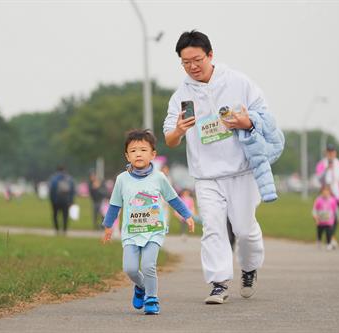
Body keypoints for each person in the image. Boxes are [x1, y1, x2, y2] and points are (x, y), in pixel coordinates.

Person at [163, 30, 284, 304]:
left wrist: (246, 122)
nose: (192, 66)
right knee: (213, 227)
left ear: (210, 55)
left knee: (244, 229)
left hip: (241, 171)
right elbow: (169, 138)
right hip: (205, 175)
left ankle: (250, 267)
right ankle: (218, 283)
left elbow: (265, 116)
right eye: (185, 62)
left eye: (197, 60)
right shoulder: (181, 95)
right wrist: (179, 130)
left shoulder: (239, 82)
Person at [102, 129, 195, 315]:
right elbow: (114, 205)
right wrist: (108, 227)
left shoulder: (159, 177)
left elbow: (173, 198)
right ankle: (141, 287)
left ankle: (152, 298)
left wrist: (187, 214)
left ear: (153, 154)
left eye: (143, 150)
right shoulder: (122, 180)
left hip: (154, 230)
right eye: (134, 150)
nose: (138, 154)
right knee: (129, 268)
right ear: (127, 156)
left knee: (148, 265)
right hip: (131, 232)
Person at [315, 143, 339, 248]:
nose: (330, 154)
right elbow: (319, 178)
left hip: (337, 194)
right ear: (326, 153)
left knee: (336, 217)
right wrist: (327, 169)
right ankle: (328, 238)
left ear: (335, 153)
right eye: (329, 152)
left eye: (332, 152)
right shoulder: (321, 164)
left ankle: (331, 237)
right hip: (325, 194)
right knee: (325, 217)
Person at [48, 165, 75, 235]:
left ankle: (57, 229)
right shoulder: (69, 178)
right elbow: (72, 191)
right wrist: (71, 201)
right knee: (65, 216)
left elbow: (51, 190)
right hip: (66, 200)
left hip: (56, 200)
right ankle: (64, 230)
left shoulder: (54, 178)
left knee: (55, 215)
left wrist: (52, 200)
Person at [312, 185, 339, 250]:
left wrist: (338, 216)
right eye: (324, 192)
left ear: (330, 192)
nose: (325, 193)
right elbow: (314, 209)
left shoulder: (333, 200)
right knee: (320, 232)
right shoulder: (318, 200)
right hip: (320, 220)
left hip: (329, 220)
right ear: (321, 192)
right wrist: (315, 217)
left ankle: (329, 244)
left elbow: (336, 209)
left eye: (327, 192)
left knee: (329, 232)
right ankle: (319, 241)